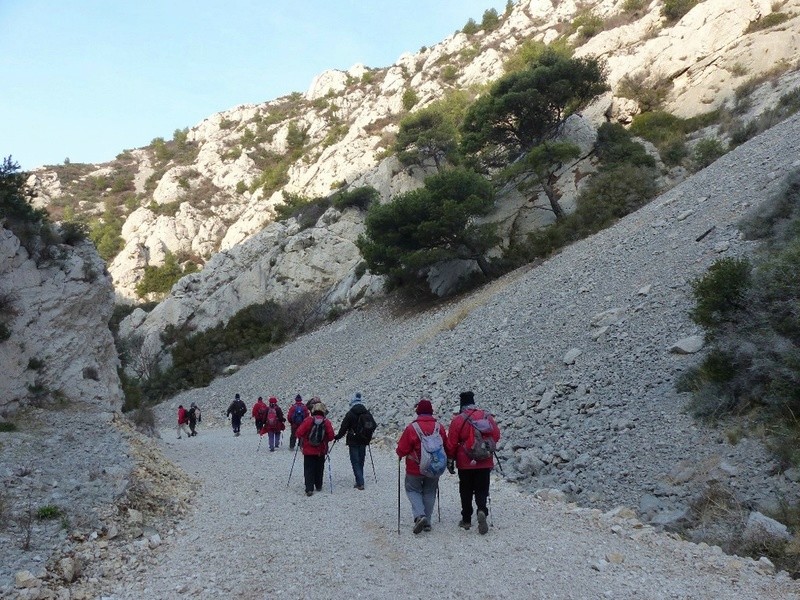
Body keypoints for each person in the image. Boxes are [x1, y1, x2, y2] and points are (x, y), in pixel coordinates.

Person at [446, 391, 501, 535]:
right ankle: (482, 510)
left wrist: (450, 459)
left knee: (466, 490)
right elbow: (496, 435)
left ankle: (466, 520)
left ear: (461, 404)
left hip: (465, 461)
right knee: (482, 488)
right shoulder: (486, 416)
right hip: (484, 459)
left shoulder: (458, 419)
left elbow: (451, 442)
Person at [396, 399, 447, 533]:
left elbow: (402, 449)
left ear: (418, 411)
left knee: (413, 490)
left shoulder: (412, 428)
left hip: (415, 467)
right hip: (434, 466)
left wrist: (399, 454)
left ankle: (420, 515)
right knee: (430, 491)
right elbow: (445, 445)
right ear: (431, 412)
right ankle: (427, 522)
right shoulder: (439, 427)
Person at [334, 392, 375, 490]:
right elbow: (374, 425)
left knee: (355, 461)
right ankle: (359, 478)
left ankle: (360, 482)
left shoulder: (350, 413)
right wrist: (368, 435)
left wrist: (337, 437)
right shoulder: (367, 412)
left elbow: (344, 427)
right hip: (364, 440)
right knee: (361, 460)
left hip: (353, 440)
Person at [295, 401, 335, 496]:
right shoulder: (326, 422)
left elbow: (299, 433)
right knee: (319, 468)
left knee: (308, 469)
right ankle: (318, 485)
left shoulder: (308, 420)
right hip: (321, 450)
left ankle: (309, 489)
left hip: (308, 451)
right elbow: (331, 436)